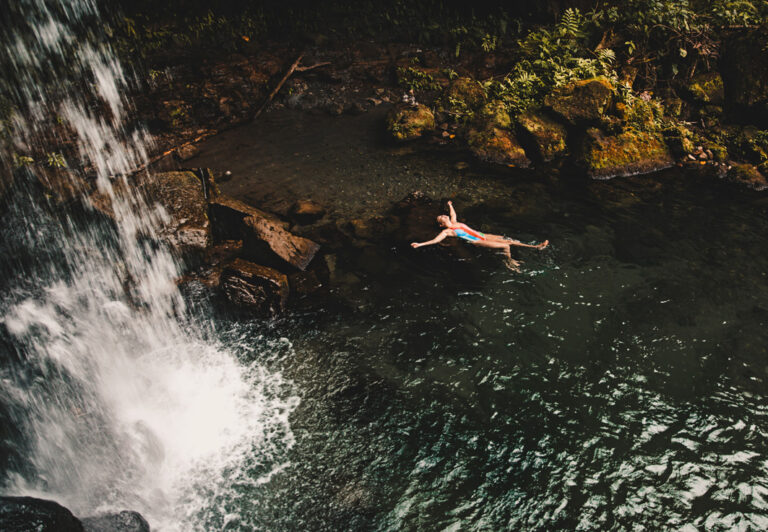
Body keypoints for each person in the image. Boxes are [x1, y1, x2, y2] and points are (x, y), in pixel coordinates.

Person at [410, 201, 549, 271]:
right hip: (476, 241)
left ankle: (536, 247)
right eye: (441, 217)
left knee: (509, 240)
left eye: (443, 214)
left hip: (483, 235)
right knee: (506, 246)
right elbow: (435, 240)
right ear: (441, 224)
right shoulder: (447, 232)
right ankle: (510, 262)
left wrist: (449, 205)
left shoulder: (454, 222)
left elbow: (453, 214)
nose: (443, 216)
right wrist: (420, 244)